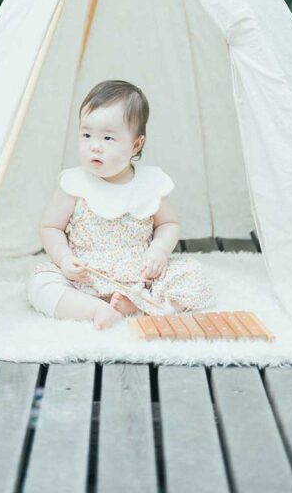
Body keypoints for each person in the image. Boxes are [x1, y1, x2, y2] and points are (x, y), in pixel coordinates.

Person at [27, 79, 214, 330]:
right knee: (40, 284)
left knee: (193, 276)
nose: (95, 145)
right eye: (86, 134)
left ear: (136, 144)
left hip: (139, 277)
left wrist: (159, 250)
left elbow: (168, 223)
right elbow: (50, 227)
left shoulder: (149, 184)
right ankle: (95, 309)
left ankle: (136, 304)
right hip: (85, 276)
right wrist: (64, 259)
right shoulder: (74, 185)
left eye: (107, 138)